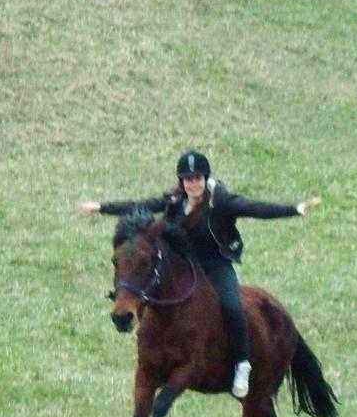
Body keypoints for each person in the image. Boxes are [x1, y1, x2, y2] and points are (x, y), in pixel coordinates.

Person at [79, 151, 321, 398]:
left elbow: (255, 208)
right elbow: (141, 205)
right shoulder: (175, 200)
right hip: (185, 266)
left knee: (232, 306)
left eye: (197, 178)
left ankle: (241, 364)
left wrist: (295, 209)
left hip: (216, 266)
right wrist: (101, 207)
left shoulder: (221, 202)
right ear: (182, 181)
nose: (193, 183)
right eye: (188, 179)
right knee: (148, 291)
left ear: (205, 178)